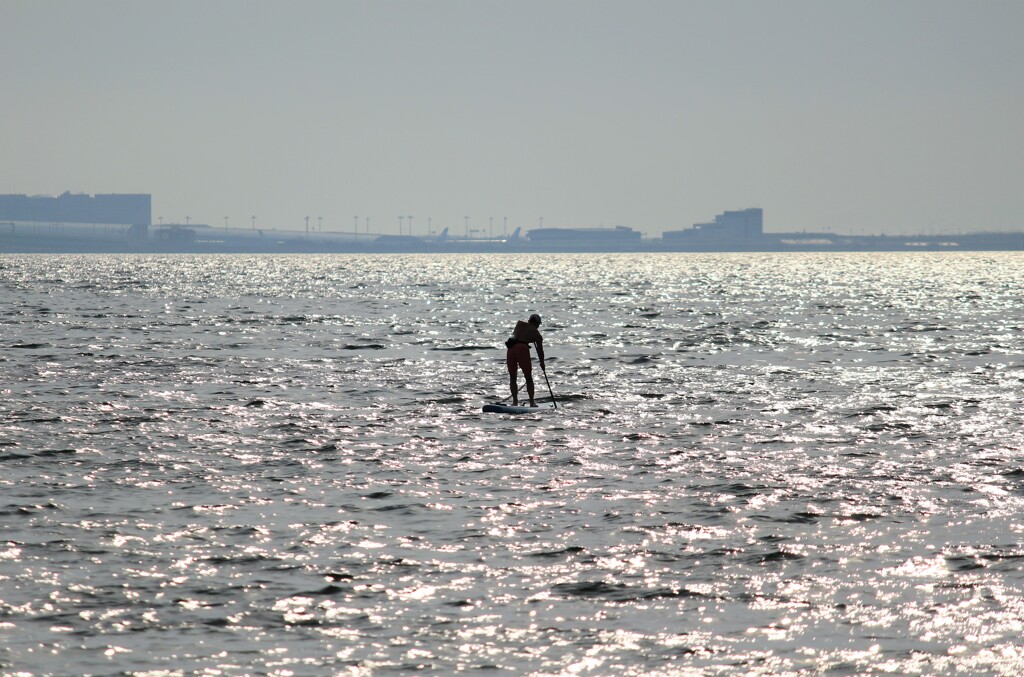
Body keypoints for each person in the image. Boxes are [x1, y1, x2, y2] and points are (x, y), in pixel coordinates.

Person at [505, 313, 546, 407]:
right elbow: (540, 351)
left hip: (510, 348)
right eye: (539, 325)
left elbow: (521, 334)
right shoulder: (536, 334)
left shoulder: (519, 324)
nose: (538, 326)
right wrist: (542, 363)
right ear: (536, 323)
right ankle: (532, 402)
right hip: (522, 348)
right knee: (528, 377)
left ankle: (515, 402)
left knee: (512, 377)